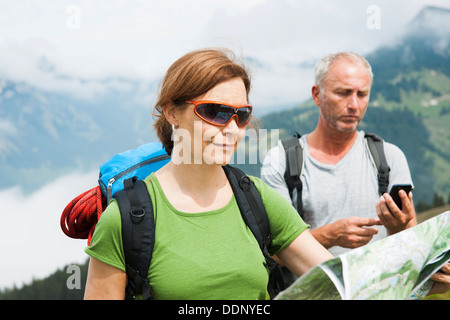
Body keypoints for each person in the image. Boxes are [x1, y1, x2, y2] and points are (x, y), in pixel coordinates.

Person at [83, 48, 333, 300]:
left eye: (241, 115)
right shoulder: (125, 220)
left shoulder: (258, 200)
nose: (233, 129)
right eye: (214, 112)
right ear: (171, 112)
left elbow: (339, 282)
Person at [261, 51, 450, 296]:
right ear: (317, 95)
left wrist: (400, 228)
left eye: (362, 94)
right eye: (343, 92)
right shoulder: (282, 161)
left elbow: (411, 248)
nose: (354, 105)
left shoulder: (389, 157)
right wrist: (331, 235)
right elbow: (273, 254)